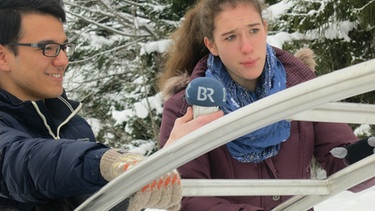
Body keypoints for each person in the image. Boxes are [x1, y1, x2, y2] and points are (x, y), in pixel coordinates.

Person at [0, 0, 223, 210]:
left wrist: (159, 163)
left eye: (64, 47)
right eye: (48, 48)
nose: (63, 60)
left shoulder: (69, 123)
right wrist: (102, 163)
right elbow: (21, 163)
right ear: (3, 56)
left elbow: (94, 201)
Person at [158, 0, 375, 210]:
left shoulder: (303, 88)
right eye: (231, 37)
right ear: (212, 44)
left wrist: (365, 154)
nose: (246, 47)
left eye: (253, 30)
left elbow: (341, 161)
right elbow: (186, 197)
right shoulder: (188, 108)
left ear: (265, 28)